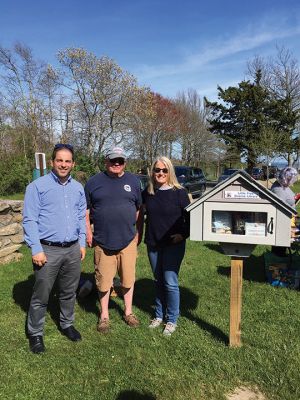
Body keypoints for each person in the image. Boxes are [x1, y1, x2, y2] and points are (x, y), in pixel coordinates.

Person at [23, 144, 86, 354]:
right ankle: (35, 333)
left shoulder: (78, 188)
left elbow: (81, 218)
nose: (64, 164)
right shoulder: (37, 187)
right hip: (47, 250)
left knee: (69, 292)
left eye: (68, 161)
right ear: (52, 162)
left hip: (72, 249)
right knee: (42, 295)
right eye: (60, 160)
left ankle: (67, 324)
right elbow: (29, 219)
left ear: (73, 164)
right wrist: (35, 248)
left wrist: (82, 243)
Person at [85, 146, 143, 333]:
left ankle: (128, 312)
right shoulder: (94, 182)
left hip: (127, 240)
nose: (117, 164)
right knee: (103, 281)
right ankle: (104, 316)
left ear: (125, 162)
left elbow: (139, 210)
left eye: (120, 160)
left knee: (128, 279)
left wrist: (138, 232)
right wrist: (88, 232)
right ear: (106, 161)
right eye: (113, 160)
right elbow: (85, 211)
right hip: (103, 240)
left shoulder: (133, 181)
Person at [142, 156, 190, 336]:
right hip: (153, 243)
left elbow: (190, 219)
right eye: (157, 170)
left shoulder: (180, 192)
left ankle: (172, 319)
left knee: (170, 282)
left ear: (170, 171)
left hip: (173, 244)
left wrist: (183, 234)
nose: (160, 173)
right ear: (152, 172)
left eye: (164, 170)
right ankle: (159, 315)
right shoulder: (148, 192)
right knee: (158, 280)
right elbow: (139, 213)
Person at [271, 166, 299, 256]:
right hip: (283, 221)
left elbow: (288, 198)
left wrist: (295, 197)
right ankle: (278, 262)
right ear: (285, 177)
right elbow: (282, 208)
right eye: (291, 179)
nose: (292, 181)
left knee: (284, 246)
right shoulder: (278, 189)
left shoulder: (283, 186)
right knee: (280, 247)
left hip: (289, 219)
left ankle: (281, 260)